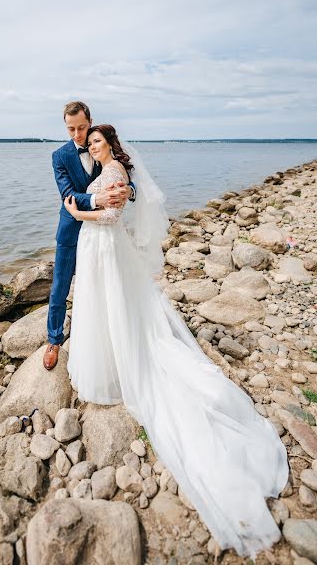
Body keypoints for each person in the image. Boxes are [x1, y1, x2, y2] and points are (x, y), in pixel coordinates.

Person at [63, 124, 289, 559]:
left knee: (117, 309)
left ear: (111, 143)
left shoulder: (116, 175)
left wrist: (78, 214)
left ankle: (120, 365)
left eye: (96, 140)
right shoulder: (105, 171)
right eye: (88, 141)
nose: (91, 145)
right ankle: (109, 356)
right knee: (106, 309)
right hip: (99, 249)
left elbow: (111, 217)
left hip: (106, 245)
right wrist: (85, 207)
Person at [44, 102, 136, 370]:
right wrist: (99, 198)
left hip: (100, 234)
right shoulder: (59, 156)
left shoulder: (100, 145)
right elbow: (68, 195)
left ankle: (105, 338)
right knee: (60, 286)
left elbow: (125, 175)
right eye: (70, 128)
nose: (77, 134)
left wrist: (128, 192)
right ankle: (54, 340)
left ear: (90, 121)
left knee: (100, 285)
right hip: (72, 230)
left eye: (81, 127)